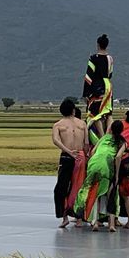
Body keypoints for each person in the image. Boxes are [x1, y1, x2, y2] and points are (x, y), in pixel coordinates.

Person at [74, 120, 125, 232]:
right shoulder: (122, 142)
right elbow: (118, 157)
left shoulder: (104, 138)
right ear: (122, 130)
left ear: (111, 129)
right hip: (107, 166)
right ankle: (111, 225)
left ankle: (95, 222)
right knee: (111, 195)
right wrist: (116, 174)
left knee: (95, 193)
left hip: (94, 164)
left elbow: (92, 152)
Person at [52, 98, 89, 228]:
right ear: (74, 110)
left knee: (61, 188)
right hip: (81, 156)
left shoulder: (58, 125)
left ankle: (64, 217)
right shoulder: (82, 123)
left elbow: (56, 141)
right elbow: (86, 143)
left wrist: (68, 151)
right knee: (78, 187)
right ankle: (79, 218)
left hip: (67, 157)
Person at [83, 34, 114, 145]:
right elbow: (110, 74)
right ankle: (109, 135)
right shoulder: (110, 59)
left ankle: (102, 137)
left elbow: (88, 76)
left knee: (95, 114)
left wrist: (86, 93)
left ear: (97, 45)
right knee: (108, 112)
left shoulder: (93, 58)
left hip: (97, 86)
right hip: (108, 86)